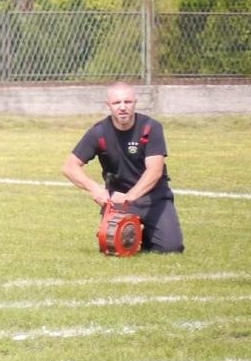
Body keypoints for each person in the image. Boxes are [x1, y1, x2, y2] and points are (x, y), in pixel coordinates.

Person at [62, 82, 185, 253]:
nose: (122, 107)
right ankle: (135, 231)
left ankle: (147, 234)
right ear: (108, 105)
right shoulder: (99, 132)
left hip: (153, 198)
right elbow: (69, 167)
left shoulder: (150, 127)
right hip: (118, 201)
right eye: (116, 103)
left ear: (135, 102)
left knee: (171, 248)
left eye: (127, 102)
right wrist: (95, 189)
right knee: (115, 248)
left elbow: (155, 170)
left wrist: (130, 196)